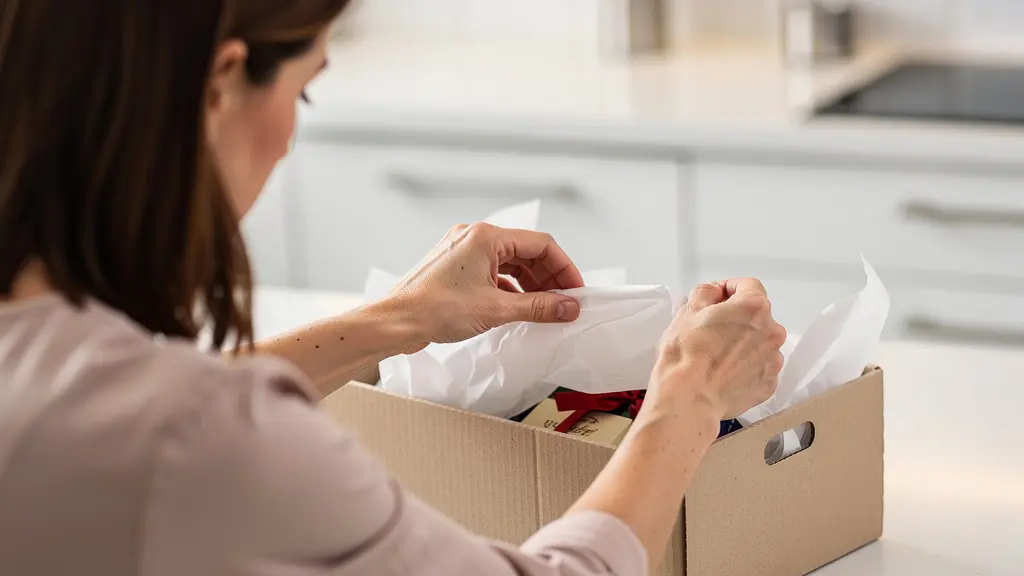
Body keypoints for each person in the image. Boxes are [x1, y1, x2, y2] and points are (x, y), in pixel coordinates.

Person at [0, 1, 787, 575]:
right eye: (301, 91)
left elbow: (126, 413)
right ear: (221, 85)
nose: (288, 138)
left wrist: (399, 319)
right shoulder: (201, 439)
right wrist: (687, 393)